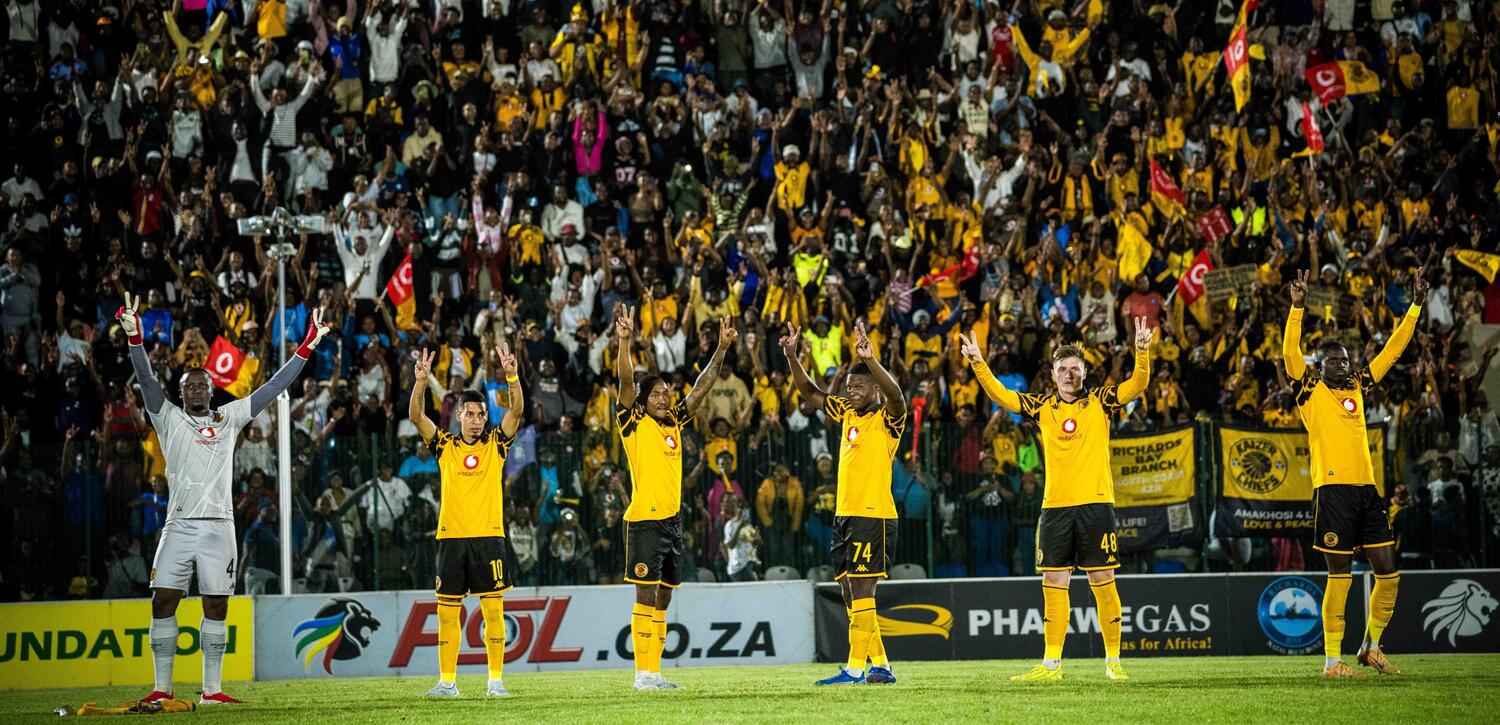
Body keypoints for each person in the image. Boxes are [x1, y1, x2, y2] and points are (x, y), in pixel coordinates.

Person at [119, 292, 329, 705]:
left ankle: (212, 691)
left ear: (212, 390)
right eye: (189, 386)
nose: (197, 389)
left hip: (219, 528)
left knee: (216, 605)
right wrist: (135, 339)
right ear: (181, 393)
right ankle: (162, 687)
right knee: (163, 600)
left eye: (203, 385)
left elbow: (274, 386)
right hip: (178, 526)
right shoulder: (168, 418)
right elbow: (146, 380)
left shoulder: (230, 418)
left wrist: (307, 346)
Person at [958, 316, 1153, 681]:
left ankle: (1113, 662)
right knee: (1053, 581)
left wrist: (1141, 352)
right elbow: (1002, 396)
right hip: (1055, 508)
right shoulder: (1043, 407)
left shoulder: (1101, 401)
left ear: (1085, 372)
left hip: (1095, 504)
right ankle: (1051, 665)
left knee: (1102, 579)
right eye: (1062, 369)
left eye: (1075, 369)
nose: (1069, 375)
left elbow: (1137, 384)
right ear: (1052, 374)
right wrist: (978, 363)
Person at [1284, 267, 1425, 677]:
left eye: (1344, 360)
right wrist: (1297, 308)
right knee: (1340, 577)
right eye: (1332, 360)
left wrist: (1416, 305)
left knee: (1389, 574)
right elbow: (1290, 353)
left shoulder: (1359, 386)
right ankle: (1332, 662)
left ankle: (1371, 647)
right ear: (1320, 366)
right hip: (1333, 491)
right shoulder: (1309, 391)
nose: (1340, 365)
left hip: (1367, 490)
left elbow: (1392, 351)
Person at [614, 301, 737, 691]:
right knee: (645, 594)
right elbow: (625, 382)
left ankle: (655, 672)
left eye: (666, 393)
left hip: (672, 520)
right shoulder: (632, 422)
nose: (664, 399)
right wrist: (624, 342)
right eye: (656, 395)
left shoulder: (675, 421)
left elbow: (702, 386)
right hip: (645, 520)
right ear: (642, 401)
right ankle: (642, 675)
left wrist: (721, 348)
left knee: (665, 598)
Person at [782, 319, 907, 686]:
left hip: (873, 514)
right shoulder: (847, 412)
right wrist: (792, 356)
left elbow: (897, 396)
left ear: (874, 388)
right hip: (845, 515)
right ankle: (881, 665)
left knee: (863, 588)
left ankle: (854, 669)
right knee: (850, 590)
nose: (852, 392)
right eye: (850, 386)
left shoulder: (887, 419)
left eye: (859, 386)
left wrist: (870, 360)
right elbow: (810, 392)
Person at [409, 340, 524, 698]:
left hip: (489, 537)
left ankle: (495, 683)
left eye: (480, 415)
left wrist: (512, 377)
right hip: (452, 538)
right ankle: (447, 683)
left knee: (493, 612)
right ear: (458, 416)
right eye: (469, 414)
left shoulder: (496, 444)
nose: (476, 420)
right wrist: (421, 382)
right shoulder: (444, 445)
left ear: (486, 417)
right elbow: (416, 416)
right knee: (447, 614)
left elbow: (516, 411)